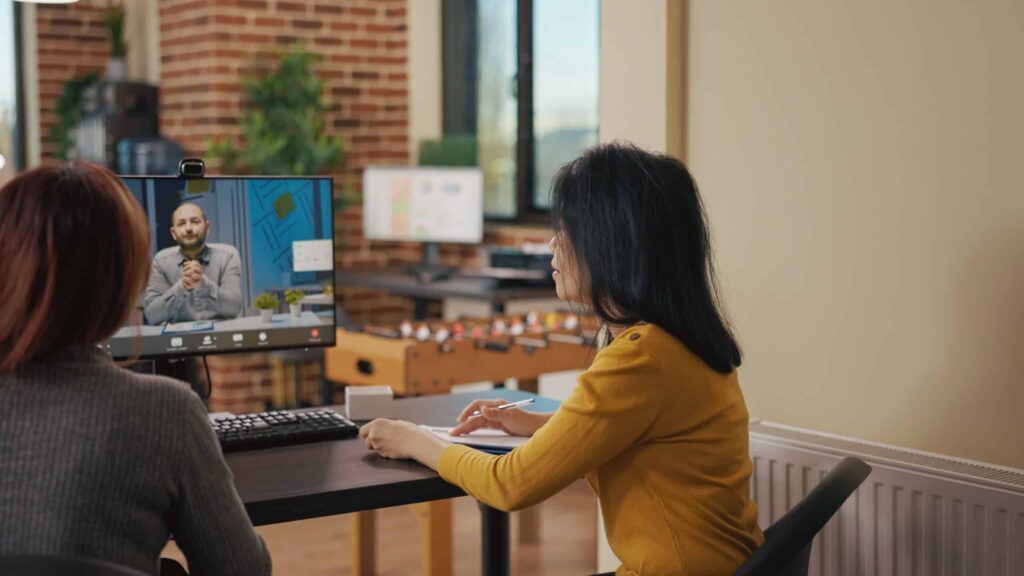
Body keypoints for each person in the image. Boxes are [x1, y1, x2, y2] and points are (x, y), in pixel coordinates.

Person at [359, 142, 764, 575]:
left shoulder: (641, 357)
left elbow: (509, 484)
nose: (553, 243)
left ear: (611, 243)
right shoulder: (678, 341)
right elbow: (638, 431)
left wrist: (414, 440)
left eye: (568, 230)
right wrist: (534, 423)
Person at [0, 162, 271, 575]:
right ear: (123, 279)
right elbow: (242, 570)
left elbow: (231, 306)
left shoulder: (225, 259)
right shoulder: (167, 412)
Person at [144, 202, 243, 325]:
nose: (189, 228)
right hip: (178, 339)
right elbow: (152, 315)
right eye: (181, 223)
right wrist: (181, 287)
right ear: (173, 233)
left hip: (220, 336)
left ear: (207, 228)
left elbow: (234, 309)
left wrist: (204, 285)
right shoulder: (160, 261)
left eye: (195, 221)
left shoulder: (228, 256)